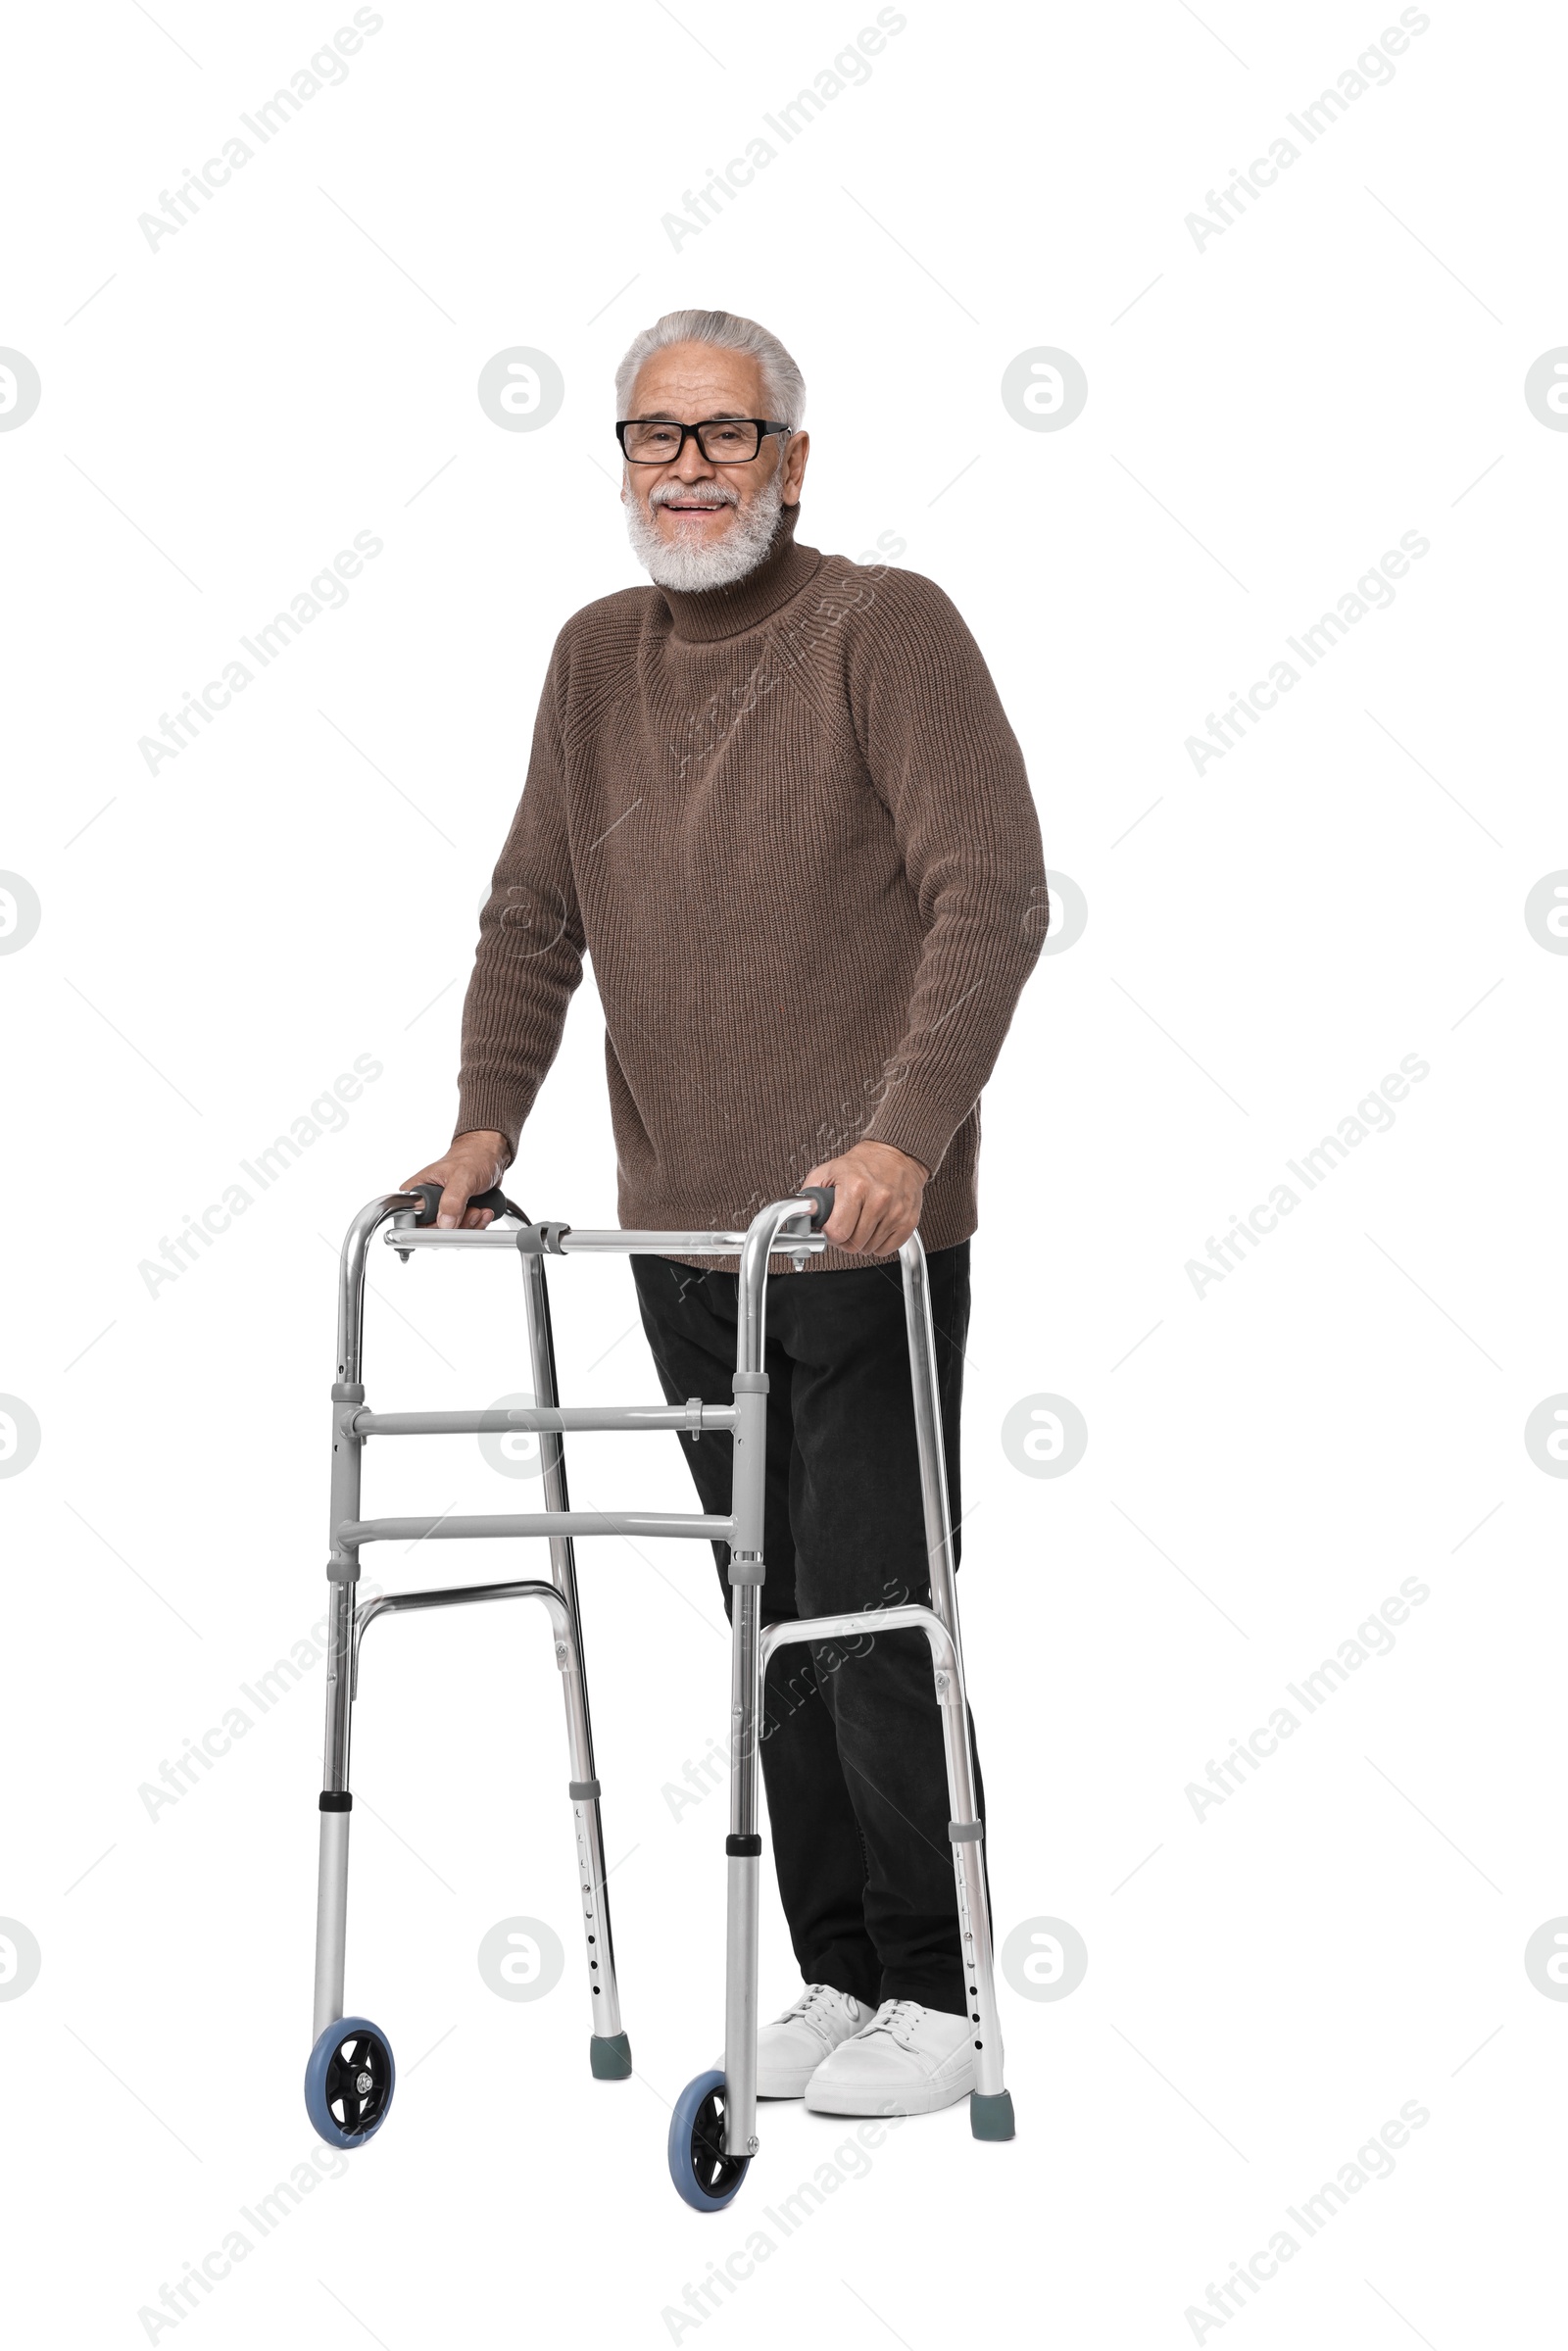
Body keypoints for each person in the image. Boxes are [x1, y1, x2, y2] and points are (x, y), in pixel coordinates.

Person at [405, 308, 1046, 2116]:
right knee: (764, 1618)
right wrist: (481, 1124)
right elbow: (534, 913)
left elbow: (988, 900)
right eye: (656, 436)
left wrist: (907, 1140)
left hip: (860, 1231)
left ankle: (943, 1989)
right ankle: (841, 1972)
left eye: (727, 434)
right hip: (684, 1235)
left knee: (868, 1611)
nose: (690, 466)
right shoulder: (594, 661)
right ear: (619, 459)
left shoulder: (880, 628)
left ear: (794, 457)